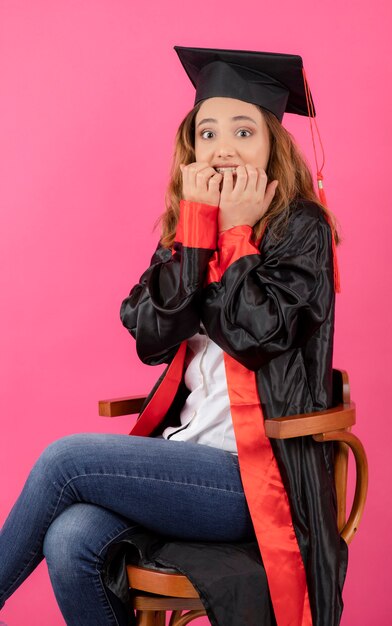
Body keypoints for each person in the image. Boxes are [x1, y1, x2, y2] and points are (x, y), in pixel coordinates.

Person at [0, 45, 347, 626]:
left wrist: (237, 233)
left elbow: (257, 338)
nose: (223, 147)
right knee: (70, 536)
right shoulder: (189, 229)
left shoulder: (301, 229)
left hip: (256, 480)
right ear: (191, 148)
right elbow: (150, 337)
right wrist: (196, 237)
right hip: (183, 463)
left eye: (243, 130)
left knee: (64, 460)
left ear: (273, 144)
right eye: (207, 133)